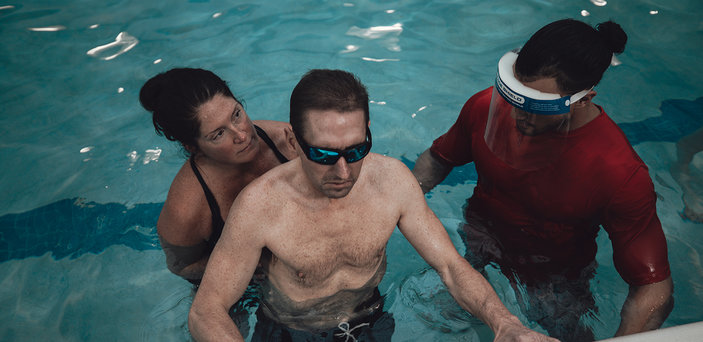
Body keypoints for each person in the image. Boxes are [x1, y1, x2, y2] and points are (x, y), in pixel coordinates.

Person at [188, 69, 556, 341]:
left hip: (372, 317)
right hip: (291, 331)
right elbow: (207, 309)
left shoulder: (392, 181)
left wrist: (505, 322)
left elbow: (449, 265)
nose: (344, 171)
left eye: (357, 149)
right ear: (293, 141)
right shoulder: (259, 206)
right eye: (323, 153)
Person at [412, 19, 673, 340]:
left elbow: (653, 287)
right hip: (477, 240)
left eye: (537, 106)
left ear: (584, 99)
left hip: (552, 274)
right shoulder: (485, 107)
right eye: (516, 96)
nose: (518, 114)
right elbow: (438, 159)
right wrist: (403, 205)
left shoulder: (619, 173)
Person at [139, 68, 297, 284]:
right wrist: (249, 263)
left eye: (237, 114)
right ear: (193, 147)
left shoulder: (288, 143)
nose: (242, 135)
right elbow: (181, 266)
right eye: (219, 134)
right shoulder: (187, 207)